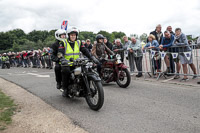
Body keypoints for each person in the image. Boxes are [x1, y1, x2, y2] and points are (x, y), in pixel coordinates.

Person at [55, 27, 99, 97]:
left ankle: (84, 87)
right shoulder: (63, 42)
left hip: (77, 63)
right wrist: (63, 59)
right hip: (67, 63)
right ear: (69, 35)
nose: (73, 36)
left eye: (74, 35)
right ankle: (65, 88)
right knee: (65, 71)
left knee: (85, 70)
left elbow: (85, 50)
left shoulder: (78, 42)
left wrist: (92, 57)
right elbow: (60, 53)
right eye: (72, 35)